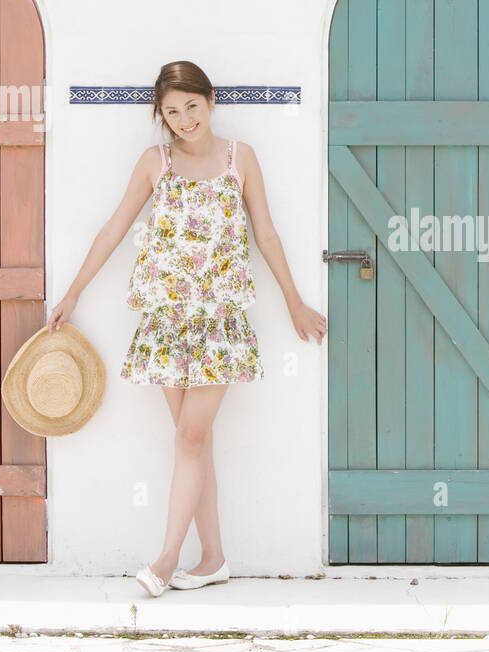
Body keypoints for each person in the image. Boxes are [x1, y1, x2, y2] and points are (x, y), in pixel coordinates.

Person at [46, 60, 327, 596]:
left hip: (219, 323)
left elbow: (265, 234)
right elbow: (113, 229)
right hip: (166, 324)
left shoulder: (240, 159)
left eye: (191, 107)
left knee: (191, 437)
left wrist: (294, 302)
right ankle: (214, 558)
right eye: (171, 112)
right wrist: (74, 291)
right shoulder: (155, 163)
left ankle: (167, 559)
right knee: (191, 445)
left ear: (211, 100)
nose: (183, 120)